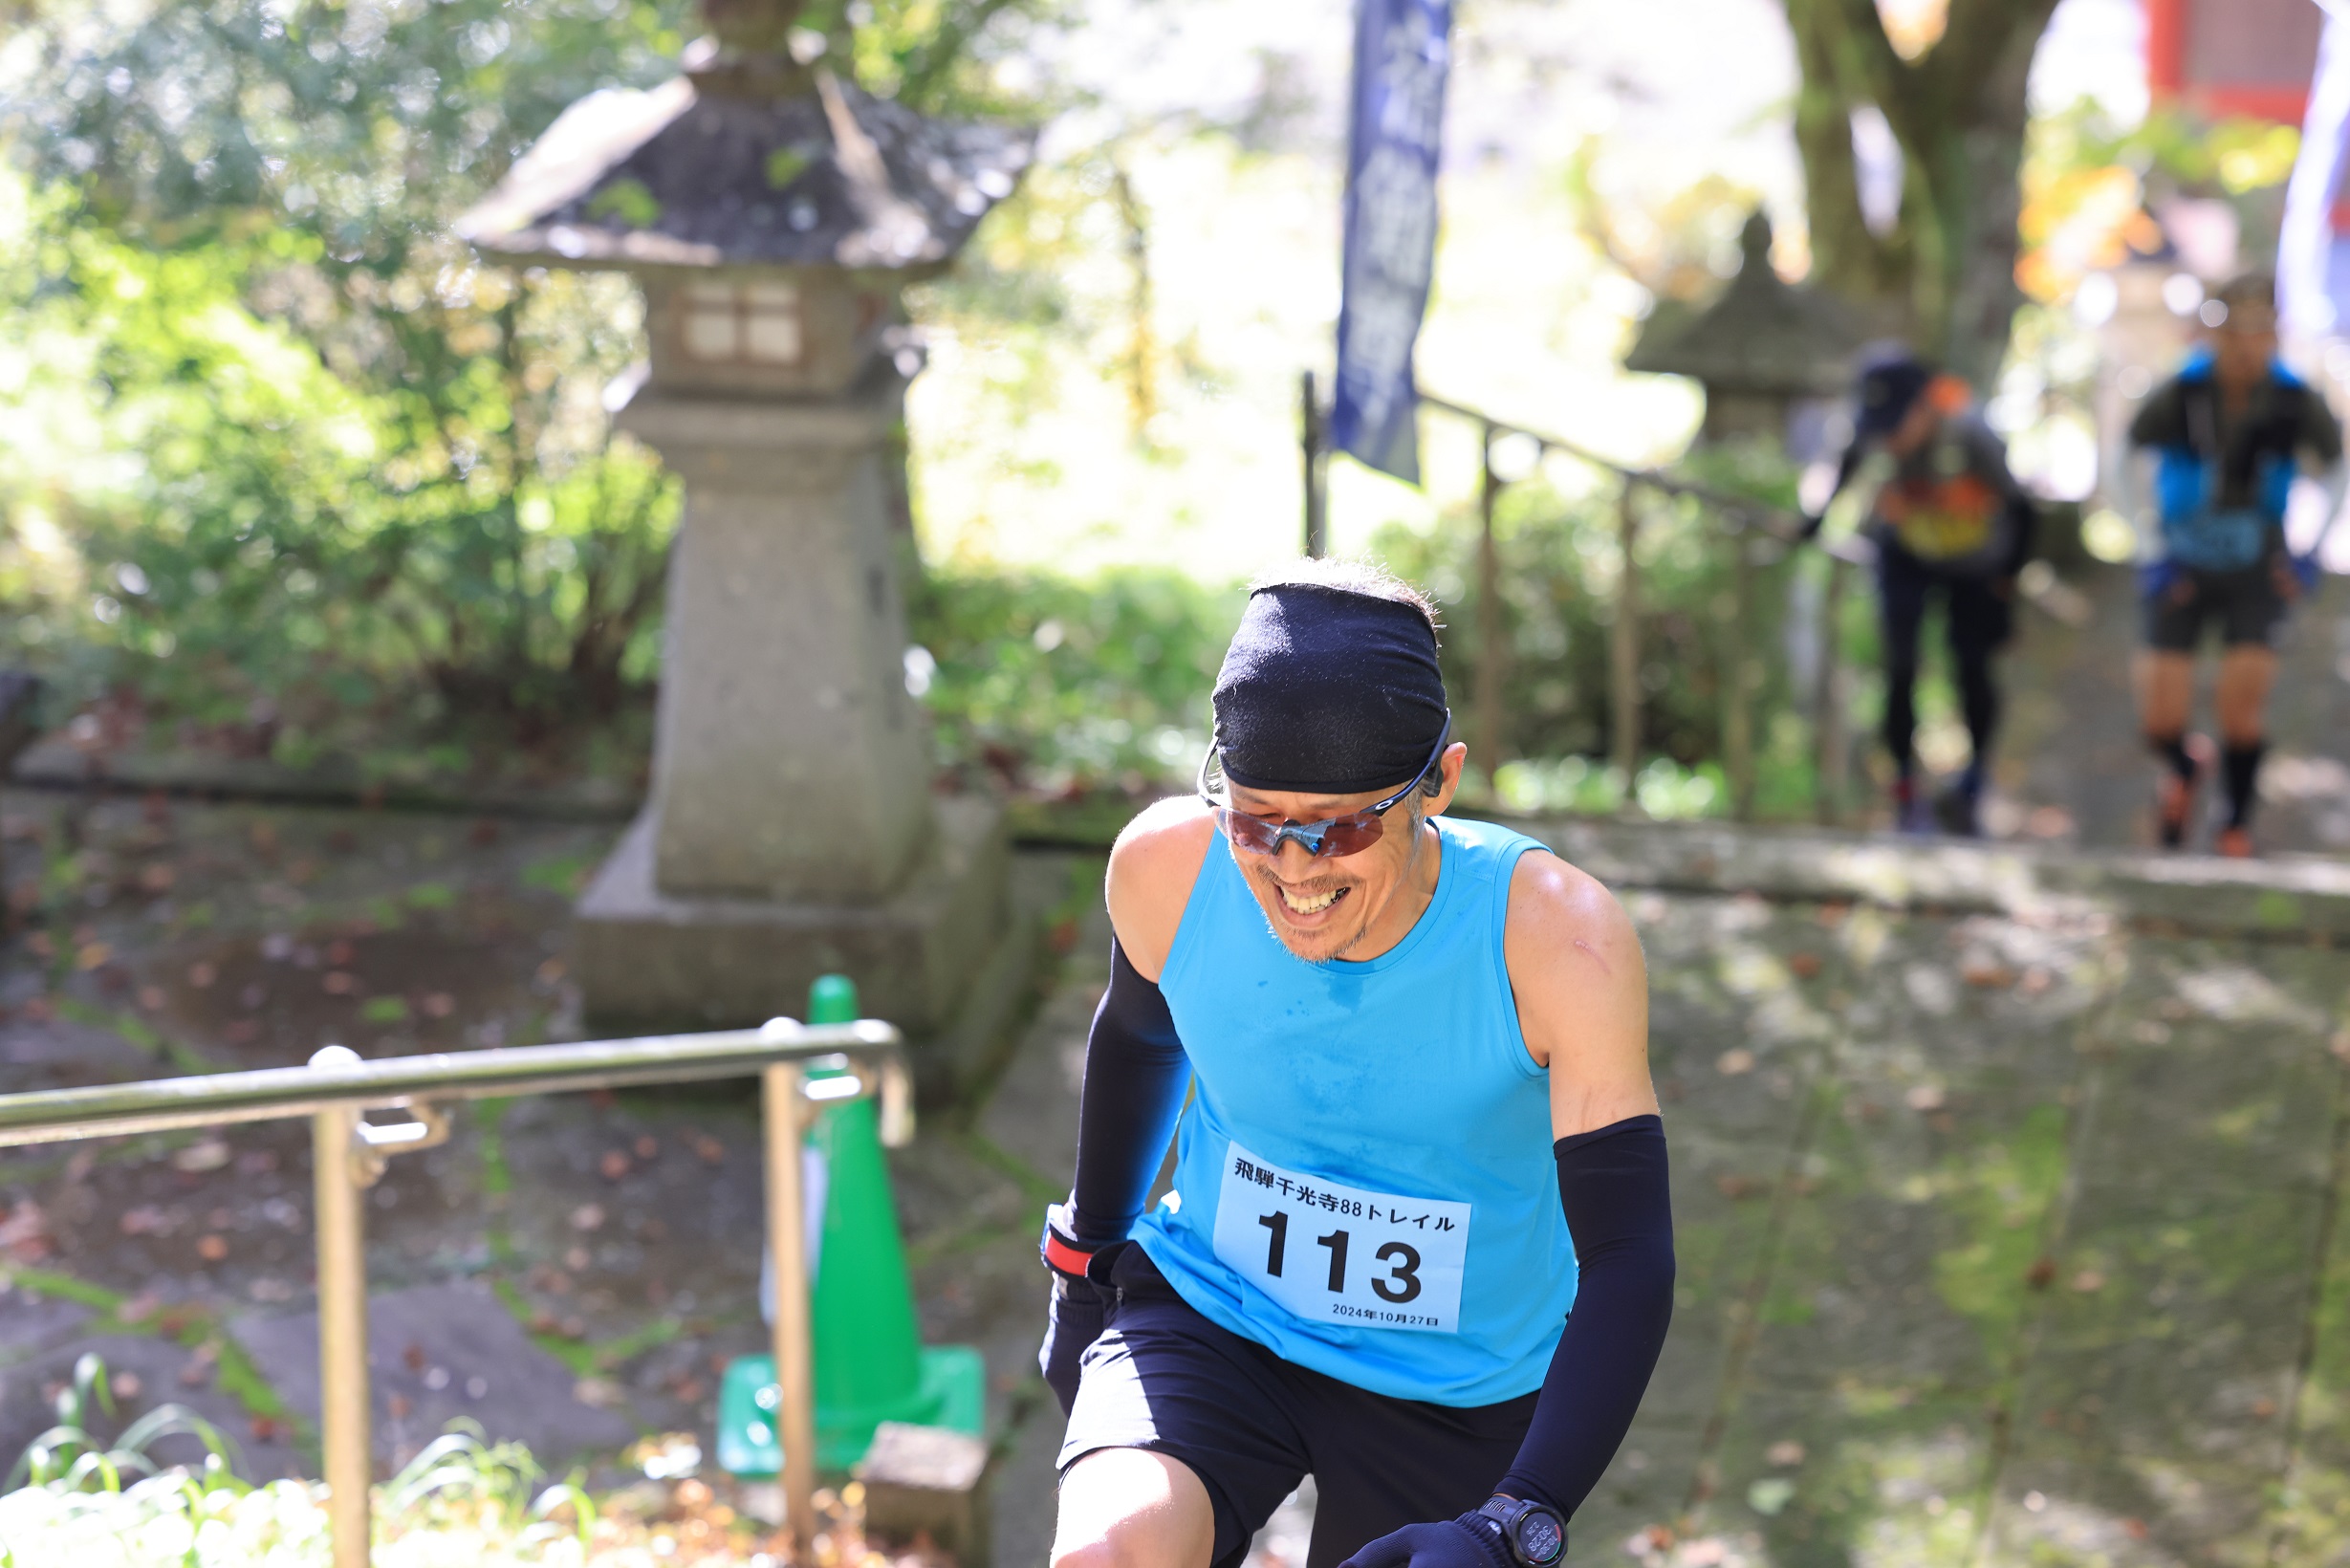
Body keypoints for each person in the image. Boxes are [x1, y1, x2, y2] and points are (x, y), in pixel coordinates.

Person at [1036, 560, 1674, 1568]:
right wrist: (1082, 1252)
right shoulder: (1167, 867)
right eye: (1256, 821)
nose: (1293, 868)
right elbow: (1140, 1036)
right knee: (1106, 1551)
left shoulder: (1556, 937)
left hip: (1458, 1383)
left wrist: (1522, 1519)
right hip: (1218, 1312)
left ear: (1440, 782)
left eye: (1340, 829)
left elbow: (1629, 1253)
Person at [2125, 270, 2343, 858]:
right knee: (2161, 718)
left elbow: (2336, 462)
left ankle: (2233, 826)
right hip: (2181, 560)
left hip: (2256, 563)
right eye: (2235, 330)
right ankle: (2183, 768)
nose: (2247, 345)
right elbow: (2128, 452)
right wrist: (2148, 545)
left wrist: (2309, 552)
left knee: (2241, 708)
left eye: (2260, 331)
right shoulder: (2183, 392)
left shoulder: (2293, 398)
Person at [1807, 348, 2036, 836]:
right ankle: (1906, 790)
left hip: (1976, 563)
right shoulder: (1875, 431)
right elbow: (1848, 465)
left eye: (1897, 421)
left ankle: (1973, 782)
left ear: (1925, 405)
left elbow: (2021, 509)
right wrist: (1816, 520)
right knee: (1900, 665)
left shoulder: (1971, 434)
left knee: (1971, 668)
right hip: (1906, 552)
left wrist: (2006, 583)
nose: (1889, 436)